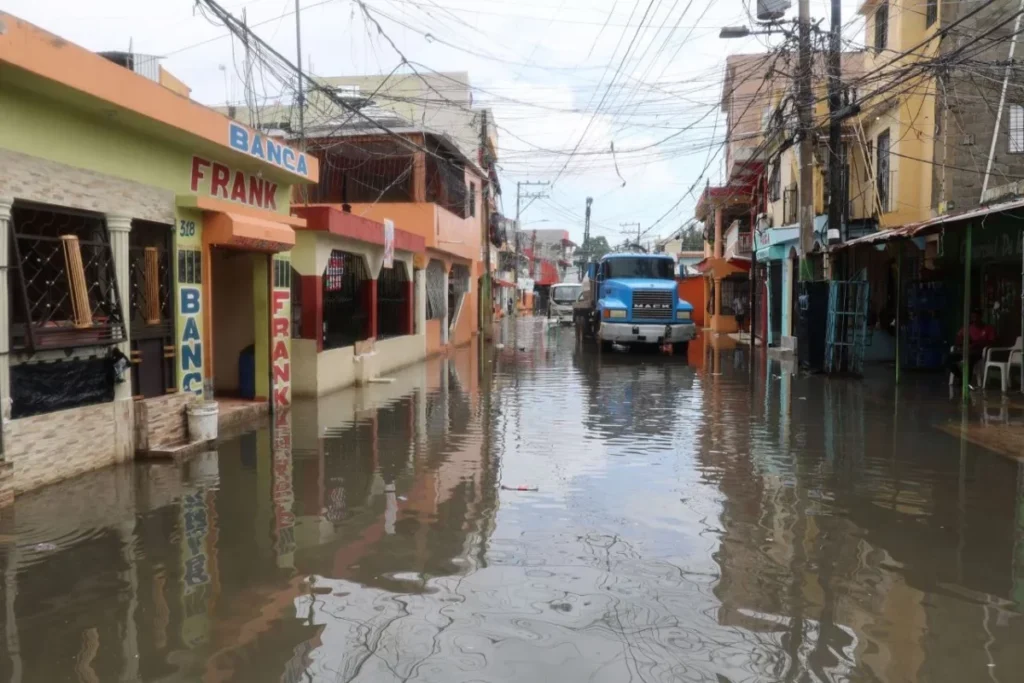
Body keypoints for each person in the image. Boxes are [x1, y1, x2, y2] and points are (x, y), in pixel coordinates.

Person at [947, 310, 993, 388]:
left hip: (978, 352)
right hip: (965, 351)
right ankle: (962, 378)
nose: (974, 319)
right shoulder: (968, 328)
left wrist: (977, 344)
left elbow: (992, 342)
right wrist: (962, 342)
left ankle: (966, 381)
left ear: (980, 317)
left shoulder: (988, 328)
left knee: (969, 360)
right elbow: (958, 338)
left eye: (976, 317)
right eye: (972, 317)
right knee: (948, 359)